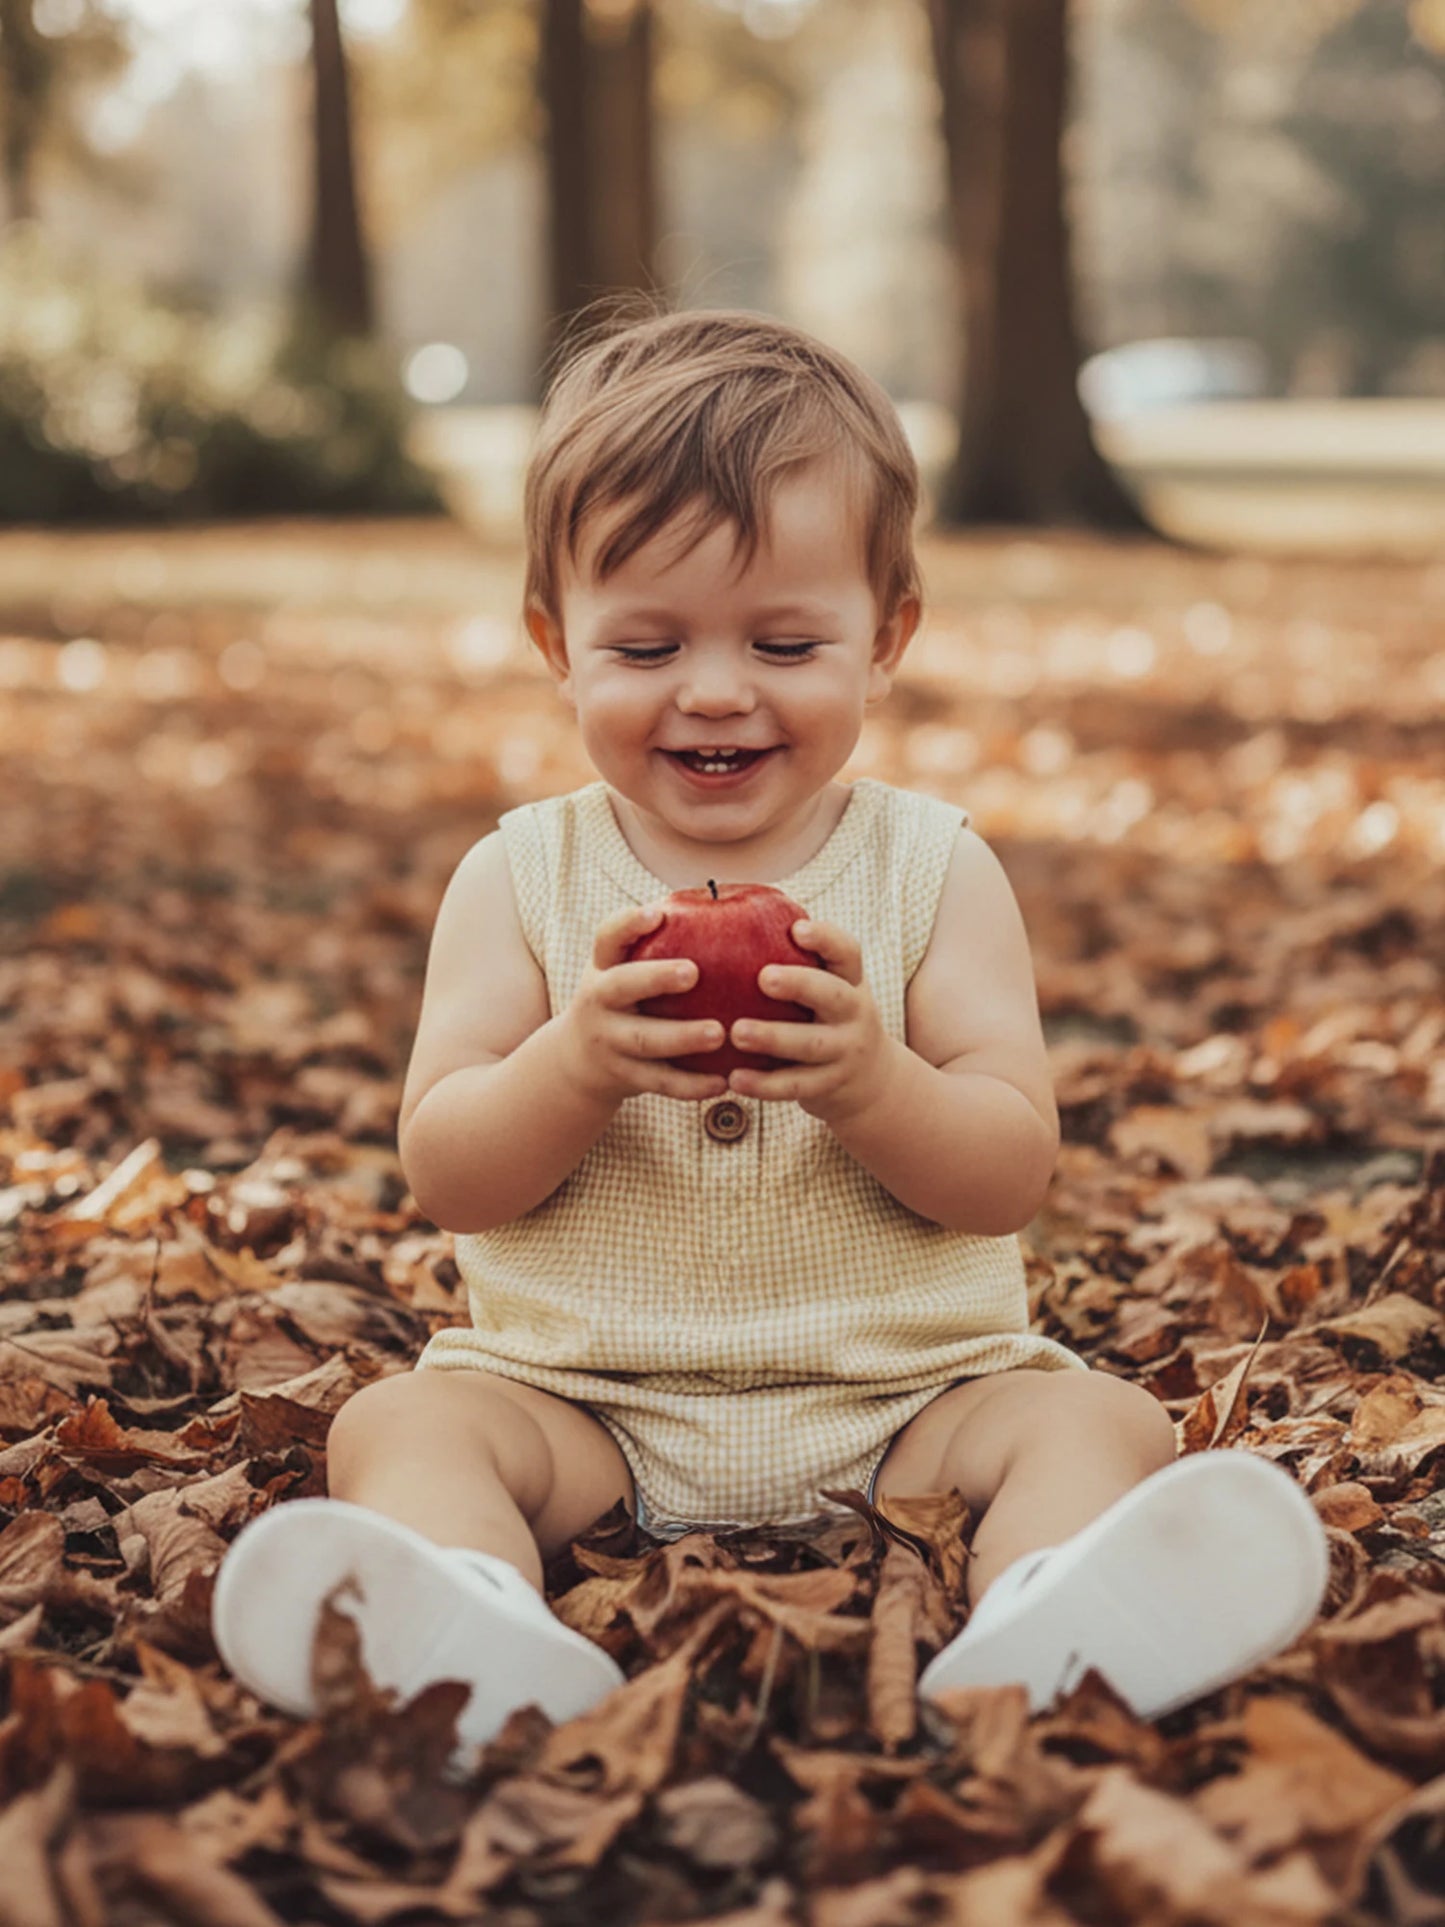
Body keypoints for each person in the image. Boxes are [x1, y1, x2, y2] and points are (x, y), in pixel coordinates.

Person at [211, 307, 1328, 1769]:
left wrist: (875, 1083)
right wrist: (573, 1064)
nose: (718, 687)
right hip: (588, 1404)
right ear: (557, 644)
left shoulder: (934, 872)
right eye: (647, 642)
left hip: (907, 1403)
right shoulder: (518, 879)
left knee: (1093, 1422)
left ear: (887, 641)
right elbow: (450, 1172)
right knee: (400, 1430)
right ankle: (474, 1614)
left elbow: (1004, 1174)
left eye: (786, 640)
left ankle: (1050, 1610)